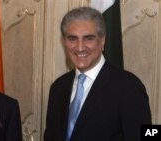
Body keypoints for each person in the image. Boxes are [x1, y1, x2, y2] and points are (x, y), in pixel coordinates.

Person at [44, 7, 152, 141]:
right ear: (64, 42)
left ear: (102, 41)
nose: (80, 47)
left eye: (88, 38)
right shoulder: (58, 87)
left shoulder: (129, 87)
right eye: (72, 39)